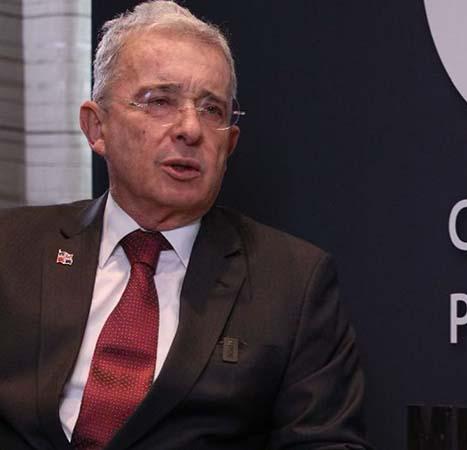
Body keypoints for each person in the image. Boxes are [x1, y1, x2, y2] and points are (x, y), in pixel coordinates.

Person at [0, 1, 371, 449]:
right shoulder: (12, 249)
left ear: (229, 144)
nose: (191, 129)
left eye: (212, 110)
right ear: (97, 128)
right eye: (160, 101)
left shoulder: (293, 283)